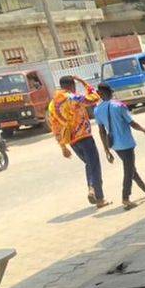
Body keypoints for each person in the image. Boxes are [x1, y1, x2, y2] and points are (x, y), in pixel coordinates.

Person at [48, 75, 109, 208]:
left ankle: (92, 188)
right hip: (84, 137)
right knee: (94, 166)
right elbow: (94, 98)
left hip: (71, 140)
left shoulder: (53, 104)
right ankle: (98, 196)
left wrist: (62, 146)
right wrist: (84, 82)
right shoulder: (72, 97)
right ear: (72, 86)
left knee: (89, 164)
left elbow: (54, 126)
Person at [94, 83, 145, 211]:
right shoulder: (119, 106)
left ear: (100, 94)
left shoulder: (97, 110)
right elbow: (132, 123)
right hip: (126, 143)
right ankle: (125, 197)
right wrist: (143, 129)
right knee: (129, 170)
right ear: (111, 92)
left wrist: (106, 150)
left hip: (114, 145)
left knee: (131, 168)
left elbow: (101, 131)